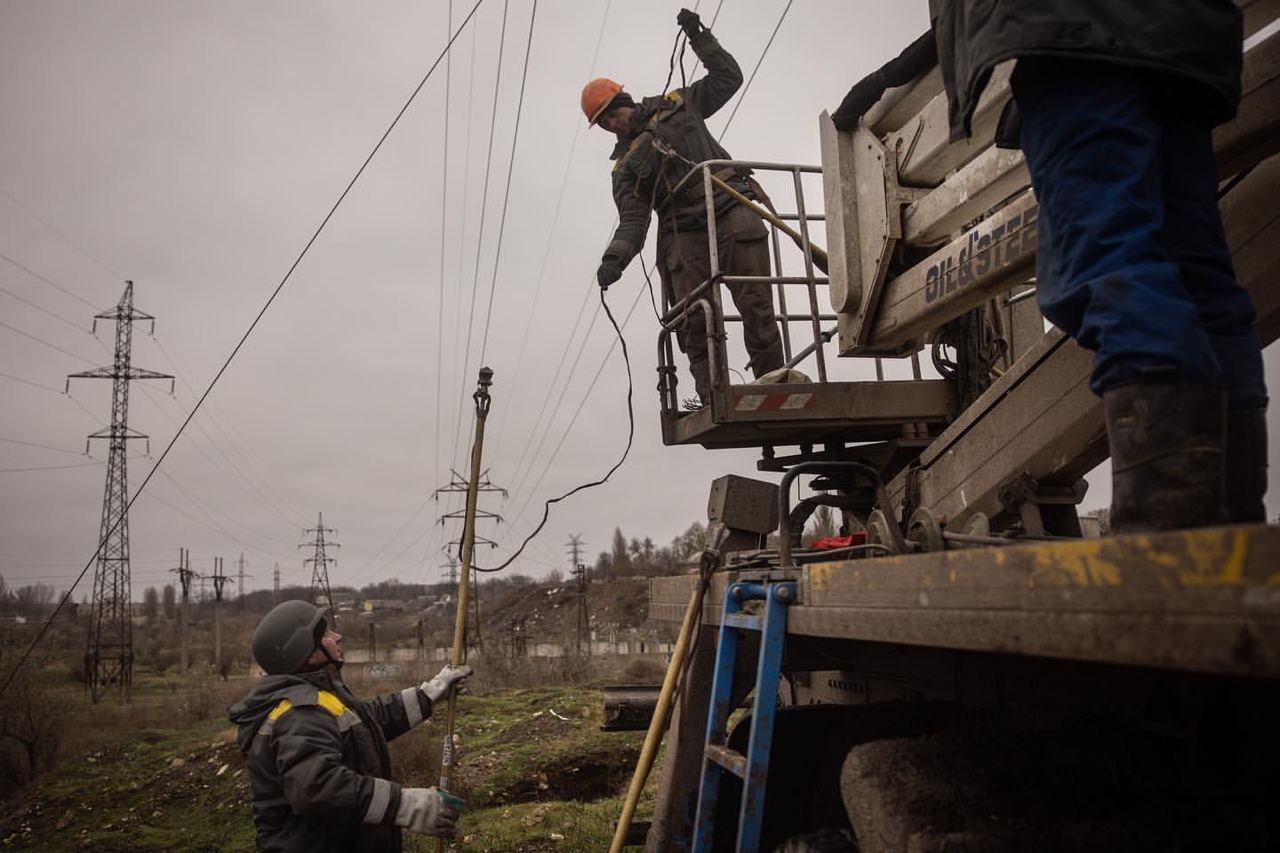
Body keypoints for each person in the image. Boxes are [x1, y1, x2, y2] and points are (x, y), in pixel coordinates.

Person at [832, 1, 1267, 532]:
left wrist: (887, 80)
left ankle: (1168, 530)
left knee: (1110, 268)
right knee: (1198, 275)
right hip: (1184, 42)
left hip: (1073, 37)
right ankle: (1229, 516)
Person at [586, 7, 784, 409]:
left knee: (756, 304)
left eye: (612, 114)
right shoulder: (624, 169)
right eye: (603, 123)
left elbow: (729, 79)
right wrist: (615, 259)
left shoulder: (678, 104)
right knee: (695, 320)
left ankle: (774, 385)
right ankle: (715, 397)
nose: (612, 124)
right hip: (682, 231)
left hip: (731, 206)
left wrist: (699, 36)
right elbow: (634, 220)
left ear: (624, 100)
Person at [228, 600, 473, 851]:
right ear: (306, 650)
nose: (337, 636)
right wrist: (403, 805)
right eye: (325, 634)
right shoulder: (298, 712)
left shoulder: (316, 698)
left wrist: (428, 694)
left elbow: (368, 720)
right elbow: (318, 788)